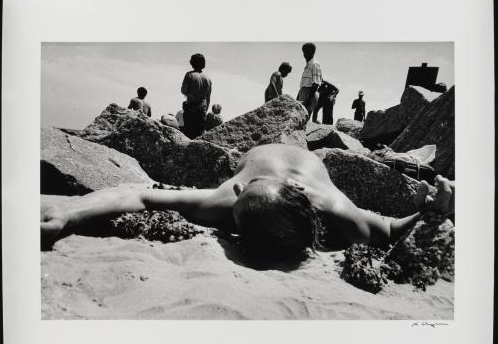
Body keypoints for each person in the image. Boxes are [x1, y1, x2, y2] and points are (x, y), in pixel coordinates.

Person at [41, 144, 454, 268]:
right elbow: (391, 227)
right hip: (271, 155)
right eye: (243, 189)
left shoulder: (228, 199)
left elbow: (139, 193)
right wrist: (433, 208)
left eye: (240, 193)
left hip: (292, 164)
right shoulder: (235, 197)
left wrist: (70, 214)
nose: (237, 192)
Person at [181, 53, 212, 139]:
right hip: (202, 109)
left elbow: (183, 90)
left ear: (192, 63)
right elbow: (208, 98)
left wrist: (189, 94)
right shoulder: (208, 78)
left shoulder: (189, 75)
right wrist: (205, 111)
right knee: (199, 135)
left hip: (190, 107)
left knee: (188, 135)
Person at [296, 43, 322, 120]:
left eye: (306, 52)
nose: (304, 54)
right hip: (304, 92)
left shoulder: (314, 64)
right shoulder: (308, 65)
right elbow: (303, 84)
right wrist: (298, 97)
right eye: (304, 52)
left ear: (312, 52)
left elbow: (316, 84)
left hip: (309, 93)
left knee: (304, 118)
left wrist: (308, 100)